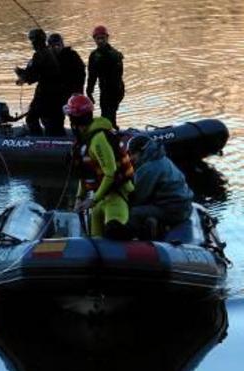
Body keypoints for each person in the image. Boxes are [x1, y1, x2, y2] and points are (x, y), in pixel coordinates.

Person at [65, 94, 134, 239]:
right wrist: (80, 197)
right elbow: (85, 173)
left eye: (70, 117)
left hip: (117, 197)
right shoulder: (84, 140)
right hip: (100, 200)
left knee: (114, 233)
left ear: (75, 119)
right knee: (94, 239)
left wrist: (93, 199)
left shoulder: (98, 139)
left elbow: (111, 173)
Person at [126, 135, 194, 239]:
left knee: (133, 212)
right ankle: (155, 226)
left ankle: (136, 240)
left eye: (132, 154)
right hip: (185, 207)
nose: (130, 158)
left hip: (174, 211)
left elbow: (138, 198)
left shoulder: (147, 168)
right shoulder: (162, 158)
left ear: (140, 152)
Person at [15, 28, 65, 137]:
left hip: (46, 94)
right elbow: (36, 74)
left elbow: (32, 75)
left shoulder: (40, 55)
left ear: (36, 41)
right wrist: (24, 76)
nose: (31, 43)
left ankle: (37, 141)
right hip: (54, 94)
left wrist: (20, 73)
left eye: (32, 40)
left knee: (32, 118)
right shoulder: (48, 53)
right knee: (50, 120)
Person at [86, 25, 124, 129]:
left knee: (108, 116)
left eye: (103, 38)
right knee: (106, 114)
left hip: (115, 89)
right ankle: (112, 131)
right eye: (98, 38)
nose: (101, 41)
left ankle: (112, 134)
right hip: (104, 90)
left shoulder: (115, 55)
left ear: (107, 38)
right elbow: (92, 76)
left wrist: (118, 93)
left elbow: (118, 76)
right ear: (94, 39)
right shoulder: (93, 56)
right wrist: (89, 91)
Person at [47, 33, 85, 103]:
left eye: (58, 45)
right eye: (53, 46)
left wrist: (77, 91)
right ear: (49, 47)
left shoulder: (72, 55)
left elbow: (81, 73)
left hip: (73, 92)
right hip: (57, 94)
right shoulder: (47, 58)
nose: (56, 48)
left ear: (62, 45)